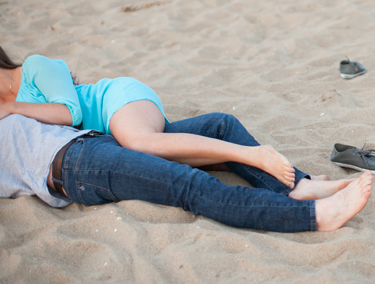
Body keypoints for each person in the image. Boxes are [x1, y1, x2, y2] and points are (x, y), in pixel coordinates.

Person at [0, 112, 372, 232]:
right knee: (190, 185)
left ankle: (298, 186)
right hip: (77, 166)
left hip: (98, 140)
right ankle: (315, 215)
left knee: (219, 126)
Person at [0, 46, 296, 189]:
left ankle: (253, 153)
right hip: (106, 136)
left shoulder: (34, 66)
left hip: (115, 101)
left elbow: (70, 113)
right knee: (166, 156)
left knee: (139, 143)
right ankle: (302, 184)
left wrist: (14, 108)